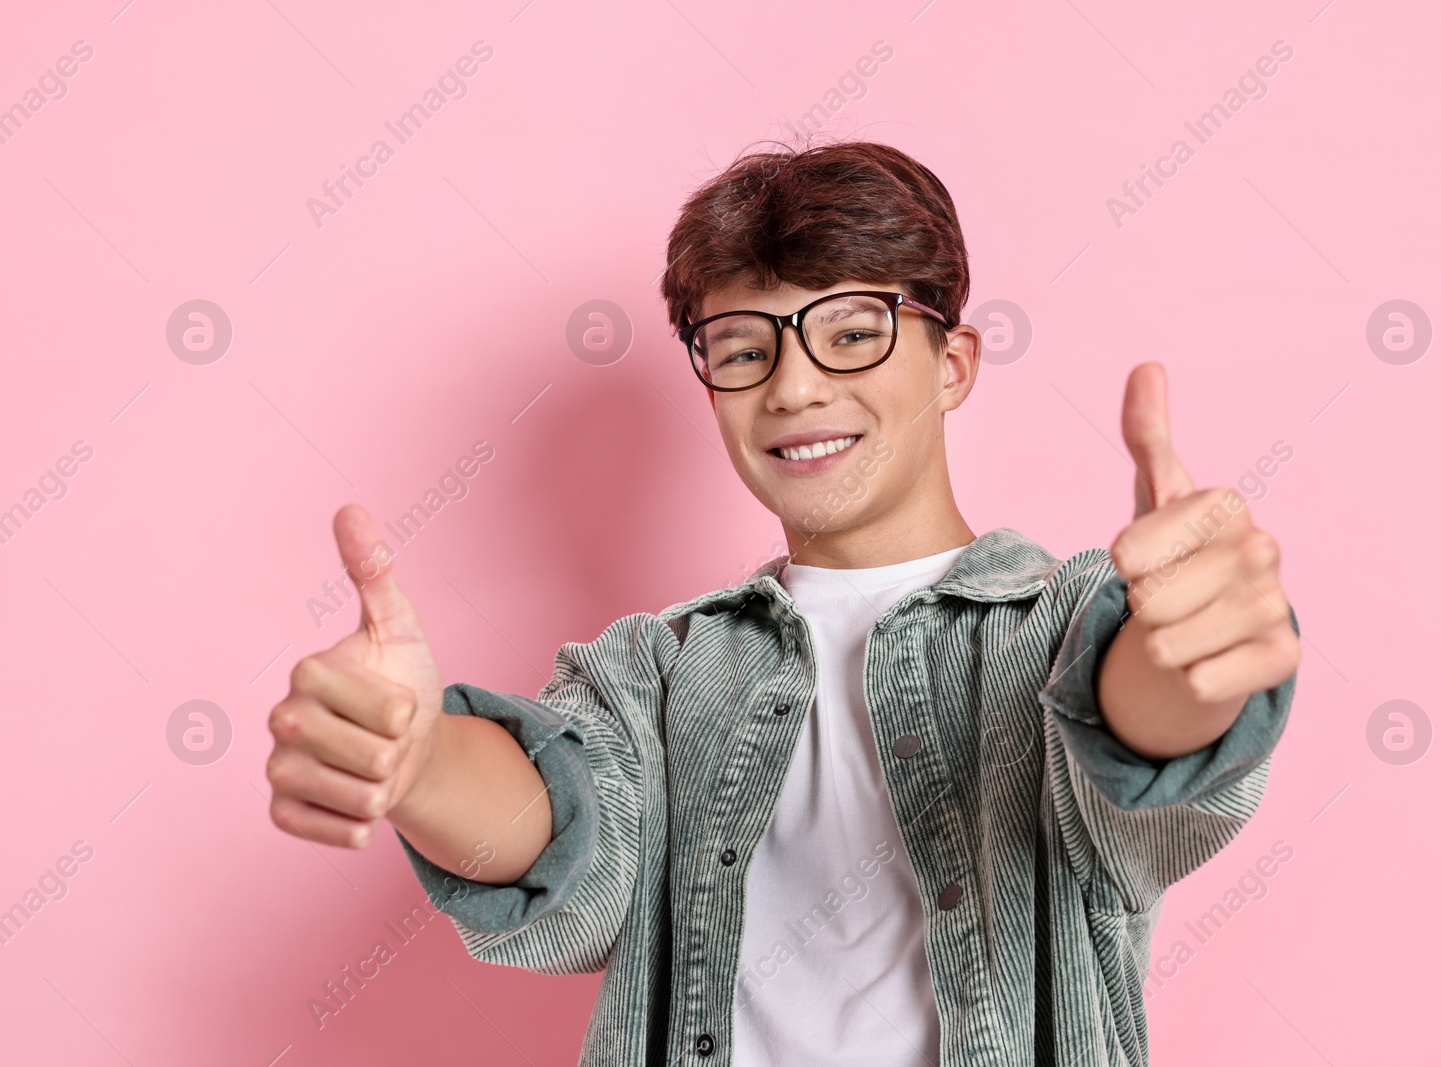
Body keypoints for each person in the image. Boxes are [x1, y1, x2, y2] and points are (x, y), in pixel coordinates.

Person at [264, 139, 1301, 1066]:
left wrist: (1184, 652)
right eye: (747, 348)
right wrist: (418, 756)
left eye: (850, 332)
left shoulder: (1064, 626)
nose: (795, 387)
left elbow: (1140, 732)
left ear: (952, 363)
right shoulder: (660, 669)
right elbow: (560, 839)